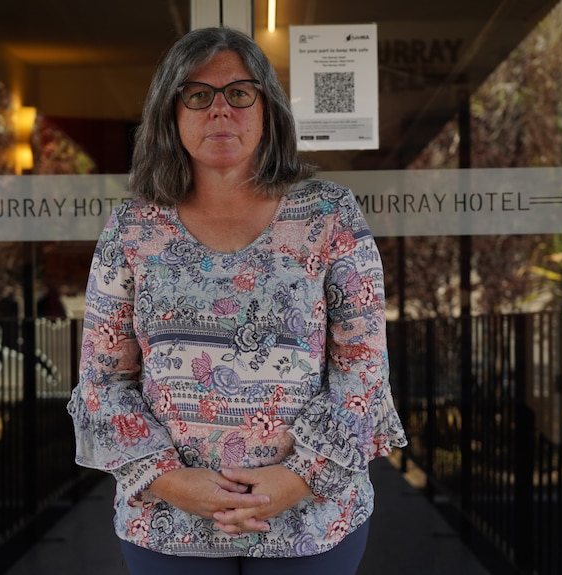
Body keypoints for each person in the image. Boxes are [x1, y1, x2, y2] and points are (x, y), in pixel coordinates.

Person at [67, 26, 407, 575]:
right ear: (169, 115)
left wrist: (299, 478)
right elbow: (104, 382)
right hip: (170, 523)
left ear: (267, 108)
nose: (219, 109)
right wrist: (173, 482)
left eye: (239, 93)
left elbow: (363, 369)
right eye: (197, 95)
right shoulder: (132, 228)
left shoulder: (330, 216)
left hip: (310, 521)